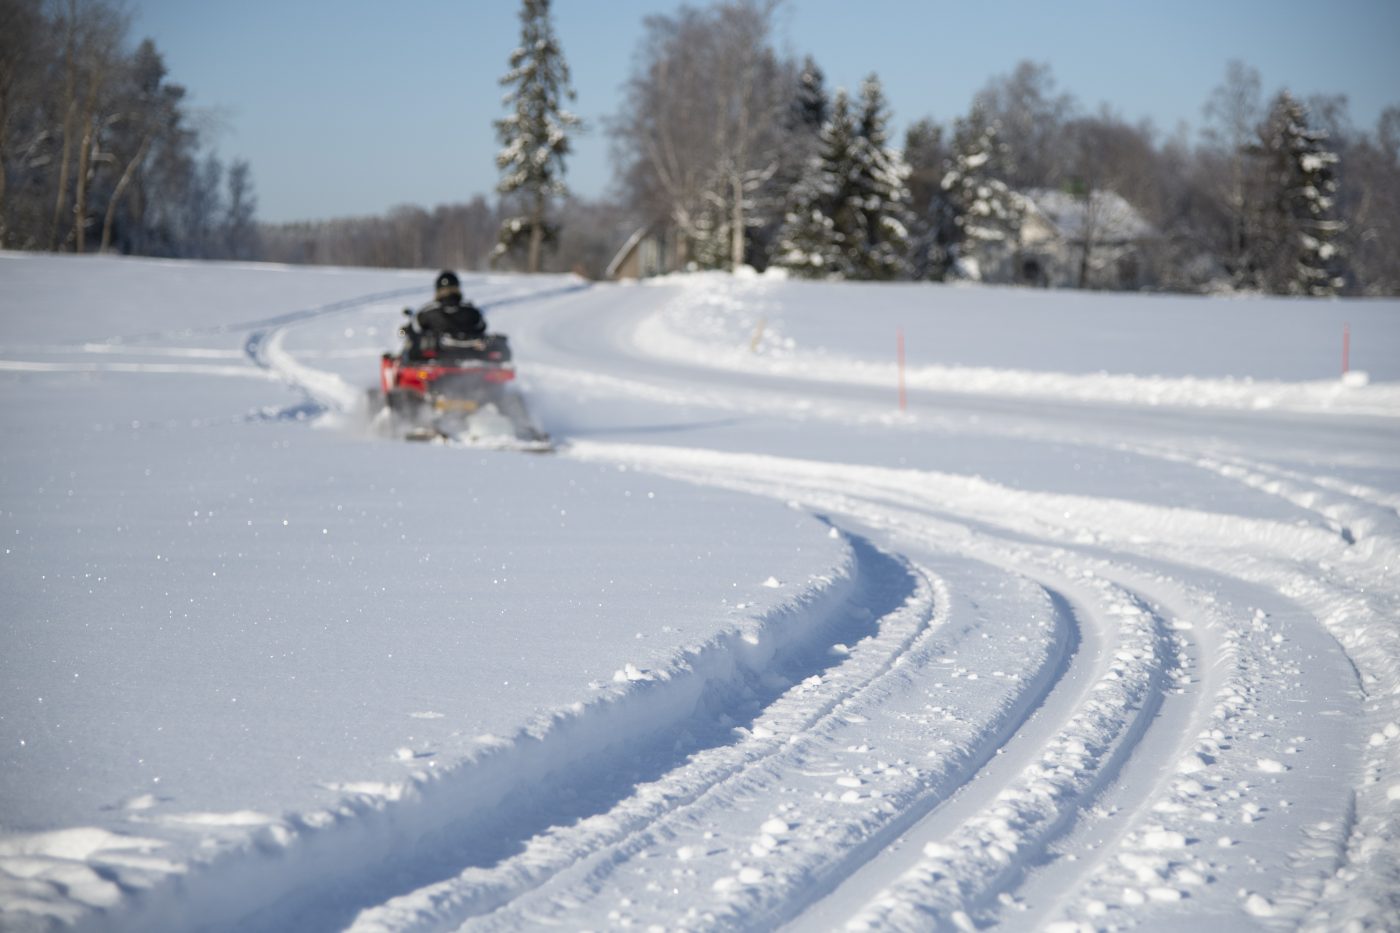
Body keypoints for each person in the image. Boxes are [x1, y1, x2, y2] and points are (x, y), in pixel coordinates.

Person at [415, 270, 486, 345]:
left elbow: (415, 328)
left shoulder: (428, 311)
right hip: (471, 351)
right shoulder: (471, 310)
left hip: (436, 353)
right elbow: (482, 327)